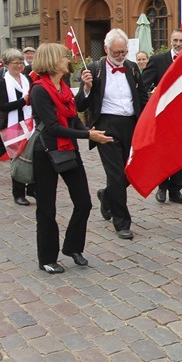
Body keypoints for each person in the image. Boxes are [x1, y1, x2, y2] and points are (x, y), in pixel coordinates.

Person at [31, 43, 112, 274]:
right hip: (45, 152)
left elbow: (72, 117)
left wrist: (90, 130)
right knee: (47, 208)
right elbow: (54, 127)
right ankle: (47, 258)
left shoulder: (63, 86)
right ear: (52, 61)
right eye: (64, 57)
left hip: (68, 150)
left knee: (84, 202)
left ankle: (73, 247)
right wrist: (87, 134)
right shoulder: (39, 90)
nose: (68, 60)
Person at [76, 29, 148, 240]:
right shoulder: (94, 69)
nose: (120, 56)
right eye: (116, 52)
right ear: (107, 49)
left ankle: (106, 195)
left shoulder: (132, 68)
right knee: (116, 174)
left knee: (130, 171)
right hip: (106, 125)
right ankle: (122, 221)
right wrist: (87, 88)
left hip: (130, 125)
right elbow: (80, 104)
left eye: (124, 52)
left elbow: (142, 98)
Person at [142, 29, 182, 205]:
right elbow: (143, 86)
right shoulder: (157, 60)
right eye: (175, 40)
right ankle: (161, 187)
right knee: (162, 152)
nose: (178, 44)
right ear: (171, 41)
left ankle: (176, 190)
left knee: (180, 153)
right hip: (161, 115)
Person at [0, 49, 34, 206]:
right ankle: (18, 193)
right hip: (13, 125)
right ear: (7, 65)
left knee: (32, 157)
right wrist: (23, 101)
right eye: (16, 63)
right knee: (17, 159)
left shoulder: (26, 79)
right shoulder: (2, 83)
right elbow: (3, 106)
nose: (19, 66)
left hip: (29, 123)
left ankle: (32, 188)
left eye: (20, 63)